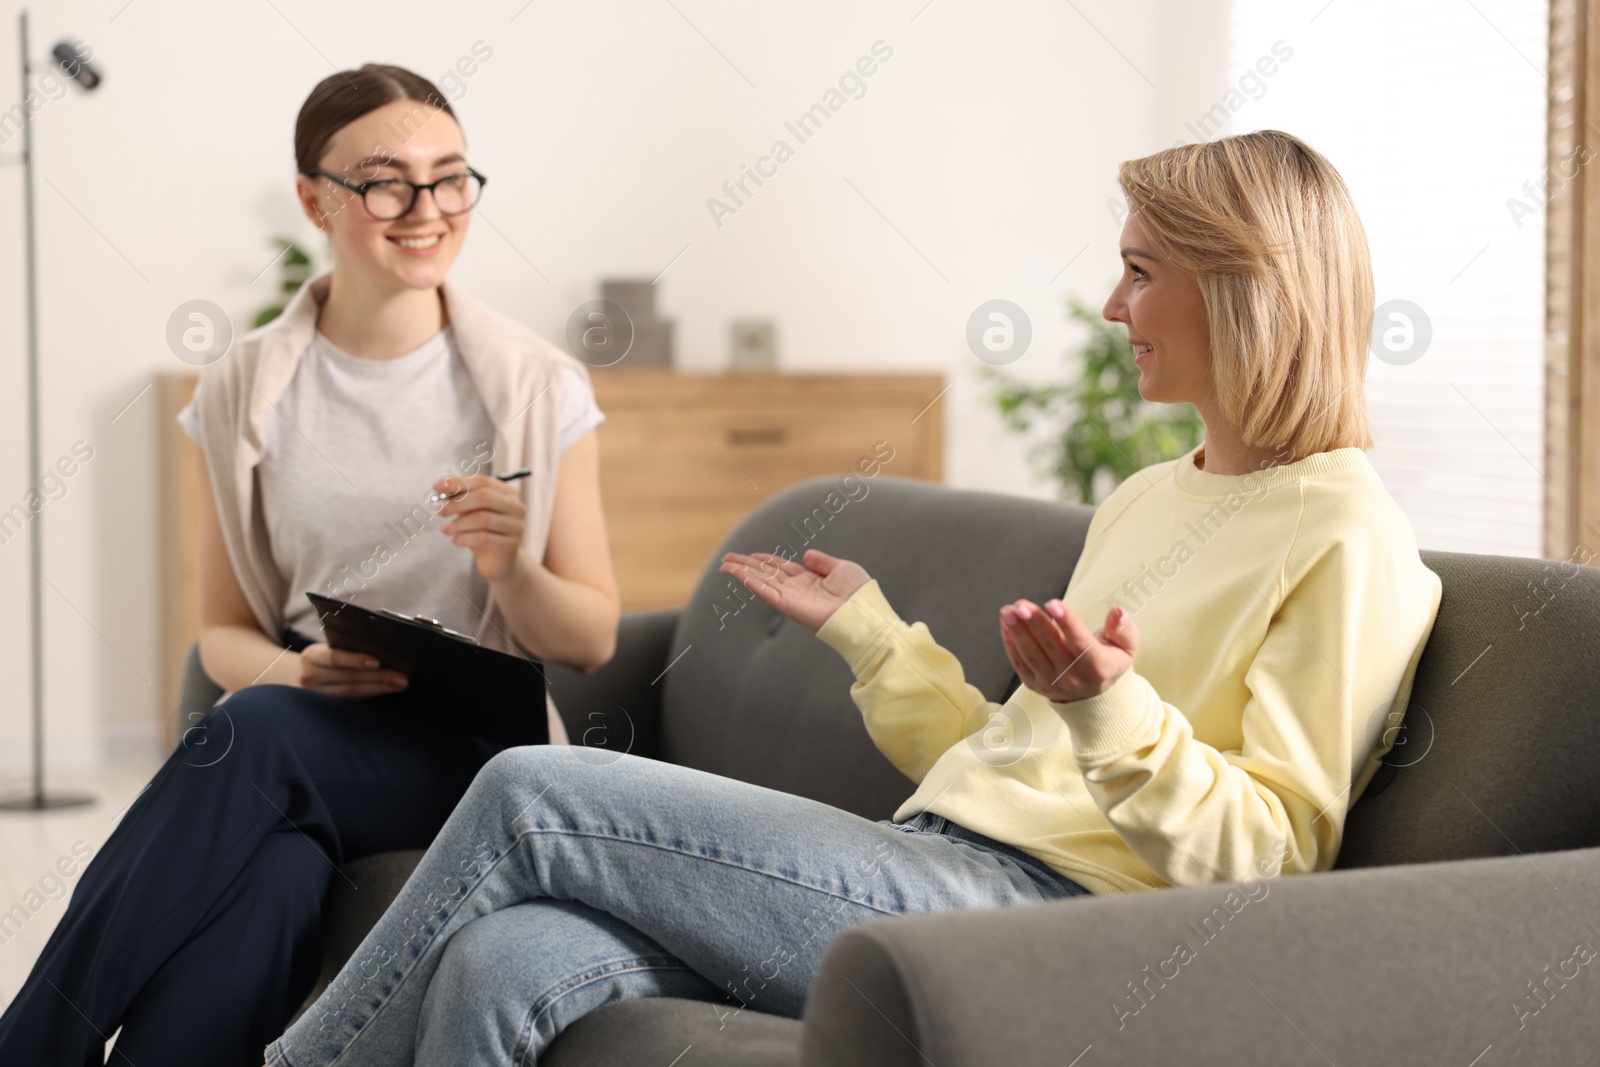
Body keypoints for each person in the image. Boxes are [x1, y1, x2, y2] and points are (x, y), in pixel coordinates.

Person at [260, 129, 1441, 1066]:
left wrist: (1114, 715)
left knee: (531, 789)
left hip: (1055, 922)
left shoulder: (1346, 534)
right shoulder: (1148, 496)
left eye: (1139, 270)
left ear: (1242, 287)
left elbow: (1273, 864)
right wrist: (874, 638)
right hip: (940, 855)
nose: (1108, 304)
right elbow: (1013, 760)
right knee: (503, 963)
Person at [0, 65, 619, 1067]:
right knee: (278, 875)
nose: (426, 210)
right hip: (310, 726)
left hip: (473, 760)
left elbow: (589, 634)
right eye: (387, 182)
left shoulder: (539, 385)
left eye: (450, 178)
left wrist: (510, 566)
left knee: (247, 732)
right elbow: (225, 628)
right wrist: (296, 671)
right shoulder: (246, 383)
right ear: (313, 197)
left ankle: (29, 1044)